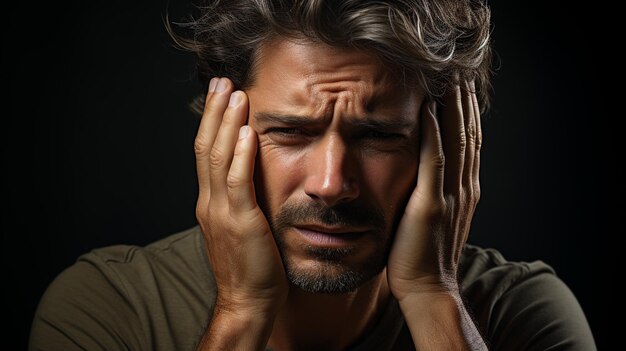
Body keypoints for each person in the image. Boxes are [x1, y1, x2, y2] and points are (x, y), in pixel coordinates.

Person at [29, 0, 596, 350]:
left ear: (445, 147)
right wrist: (241, 312)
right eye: (291, 133)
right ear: (220, 137)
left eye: (377, 136)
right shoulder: (110, 308)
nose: (331, 183)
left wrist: (432, 296)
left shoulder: (522, 313)